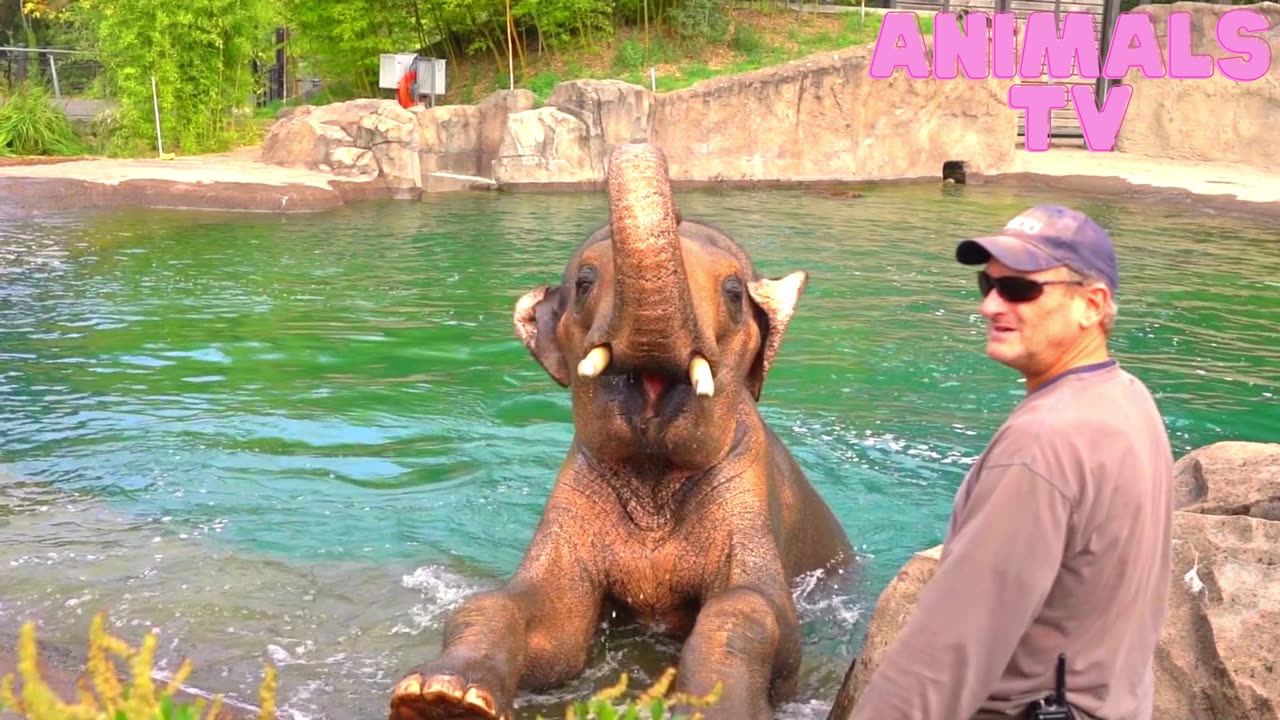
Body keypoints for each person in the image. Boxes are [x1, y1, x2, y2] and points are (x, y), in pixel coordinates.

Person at [847, 205, 1175, 720]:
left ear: (1092, 305)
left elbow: (945, 655)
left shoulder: (1043, 444)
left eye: (1021, 289)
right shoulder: (1128, 399)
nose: (991, 305)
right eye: (988, 284)